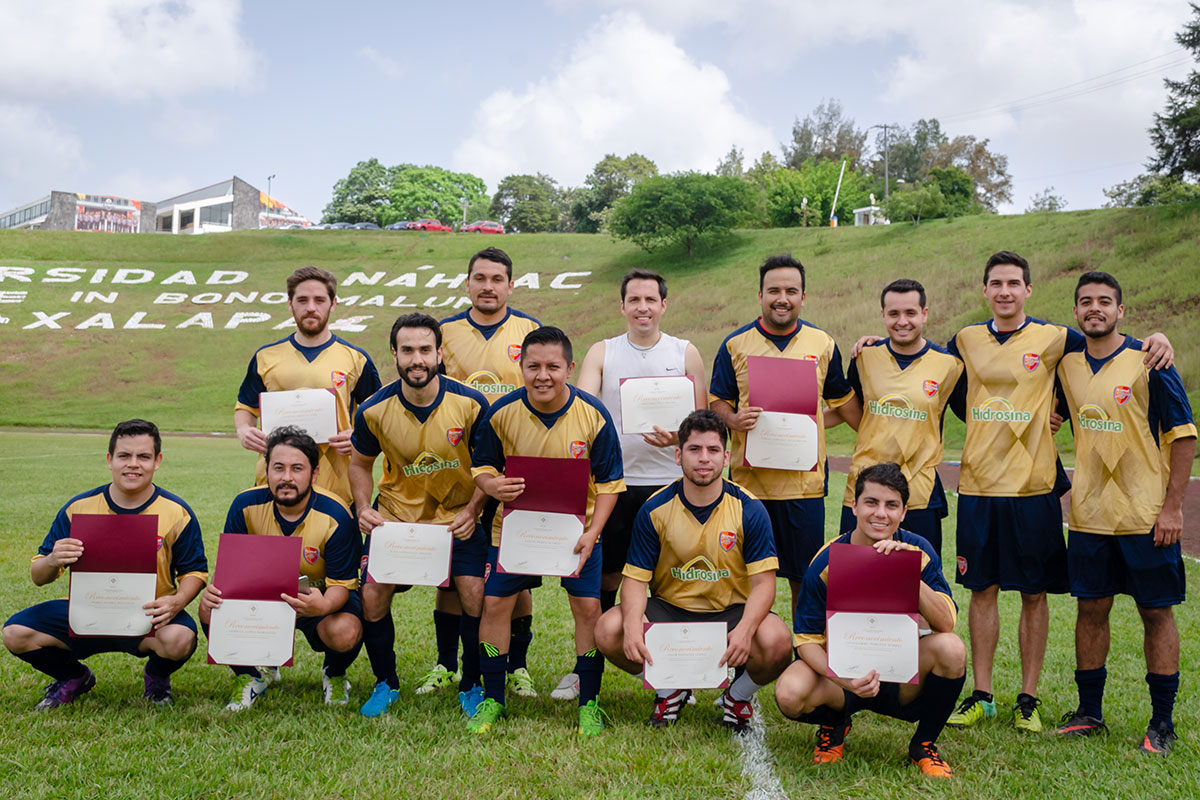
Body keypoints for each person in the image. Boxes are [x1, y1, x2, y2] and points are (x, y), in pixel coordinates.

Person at [943, 251, 1173, 733]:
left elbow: (1104, 350)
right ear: (984, 290)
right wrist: (869, 343)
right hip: (979, 486)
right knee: (981, 590)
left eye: (1014, 283)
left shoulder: (1057, 337)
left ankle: (1028, 698)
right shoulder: (963, 340)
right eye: (996, 283)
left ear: (1029, 290)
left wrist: (1158, 338)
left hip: (1035, 489)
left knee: (1033, 592)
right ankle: (982, 694)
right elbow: (926, 367)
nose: (1005, 291)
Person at [1052, 271, 1195, 755]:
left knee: (1156, 614)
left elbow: (1183, 436)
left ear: (1121, 309)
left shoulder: (1151, 359)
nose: (1095, 308)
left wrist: (1173, 507)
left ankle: (1163, 723)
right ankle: (1090, 712)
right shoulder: (1067, 364)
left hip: (1146, 515)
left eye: (1105, 301)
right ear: (1076, 312)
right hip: (1090, 516)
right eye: (1086, 302)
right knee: (1091, 610)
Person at [468, 326, 626, 735]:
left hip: (577, 532)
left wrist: (593, 533)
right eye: (533, 366)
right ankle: (493, 699)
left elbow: (610, 484)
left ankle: (589, 703)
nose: (543, 375)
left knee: (588, 609)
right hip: (514, 530)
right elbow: (482, 466)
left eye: (553, 366)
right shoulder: (500, 412)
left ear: (569, 368)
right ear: (521, 368)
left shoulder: (593, 414)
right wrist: (491, 484)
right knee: (496, 605)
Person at [594, 410, 791, 731]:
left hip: (730, 613)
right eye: (694, 449)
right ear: (677, 454)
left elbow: (764, 585)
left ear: (726, 456)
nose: (704, 458)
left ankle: (737, 697)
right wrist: (632, 624)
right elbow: (633, 580)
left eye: (713, 450)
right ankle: (670, 690)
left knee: (778, 640)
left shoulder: (749, 508)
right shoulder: (655, 509)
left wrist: (744, 630)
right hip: (670, 613)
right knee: (609, 629)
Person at [775, 463, 965, 778]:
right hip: (844, 678)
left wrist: (907, 572)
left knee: (952, 649)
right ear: (854, 505)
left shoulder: (920, 551)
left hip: (902, 677)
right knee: (789, 693)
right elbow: (806, 640)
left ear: (904, 512)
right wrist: (842, 678)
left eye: (891, 505)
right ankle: (834, 723)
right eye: (871, 502)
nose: (881, 513)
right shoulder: (827, 560)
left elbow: (946, 623)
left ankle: (924, 744)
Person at [3, 419, 208, 708]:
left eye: (143, 457)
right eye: (124, 455)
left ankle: (157, 677)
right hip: (86, 612)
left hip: (147, 614)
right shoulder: (79, 508)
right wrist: (52, 559)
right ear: (110, 459)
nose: (133, 464)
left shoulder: (177, 513)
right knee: (15, 633)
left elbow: (195, 572)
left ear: (157, 461)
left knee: (179, 638)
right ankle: (73, 677)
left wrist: (176, 602)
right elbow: (39, 576)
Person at [575, 268, 707, 700]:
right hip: (615, 486)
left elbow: (701, 425)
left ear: (664, 305)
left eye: (651, 300)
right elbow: (584, 411)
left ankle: (678, 668)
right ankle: (585, 669)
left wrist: (680, 436)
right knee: (605, 580)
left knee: (668, 581)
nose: (643, 308)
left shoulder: (685, 353)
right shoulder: (602, 352)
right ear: (622, 306)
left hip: (670, 486)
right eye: (634, 300)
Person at [349, 313, 490, 719]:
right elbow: (359, 465)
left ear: (439, 353)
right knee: (373, 595)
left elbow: (487, 468)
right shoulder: (374, 409)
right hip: (397, 518)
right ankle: (386, 683)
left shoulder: (470, 402)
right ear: (394, 354)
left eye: (425, 350)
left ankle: (470, 684)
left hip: (456, 520)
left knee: (474, 593)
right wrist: (363, 507)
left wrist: (472, 511)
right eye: (407, 350)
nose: (417, 359)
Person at [709, 253, 855, 613]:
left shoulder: (822, 343)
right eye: (773, 290)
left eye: (792, 290)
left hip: (804, 488)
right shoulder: (735, 344)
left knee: (805, 579)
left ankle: (804, 660)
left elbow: (844, 404)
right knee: (745, 579)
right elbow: (717, 402)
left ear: (804, 297)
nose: (782, 298)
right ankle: (746, 663)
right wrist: (734, 420)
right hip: (750, 487)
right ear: (760, 294)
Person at [434, 247, 543, 699]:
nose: (488, 286)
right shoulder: (445, 333)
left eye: (497, 278)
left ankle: (516, 666)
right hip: (458, 469)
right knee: (453, 572)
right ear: (467, 283)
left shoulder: (530, 331)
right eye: (479, 277)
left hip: (514, 467)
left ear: (510, 285)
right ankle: (445, 664)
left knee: (514, 573)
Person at [201, 426, 363, 711]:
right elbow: (230, 572)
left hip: (317, 599)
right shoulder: (244, 505)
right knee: (208, 608)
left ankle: (334, 673)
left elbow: (342, 586)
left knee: (346, 630)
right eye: (278, 467)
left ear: (314, 474)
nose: (286, 477)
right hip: (263, 598)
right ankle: (251, 677)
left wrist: (321, 605)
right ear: (267, 470)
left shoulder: (337, 515)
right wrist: (215, 593)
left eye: (297, 468)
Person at [830, 279, 963, 557]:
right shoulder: (864, 357)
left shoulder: (950, 365)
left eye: (910, 313)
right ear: (883, 316)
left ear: (924, 314)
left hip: (918, 492)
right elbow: (847, 409)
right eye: (894, 314)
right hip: (863, 486)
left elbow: (973, 409)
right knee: (855, 580)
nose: (902, 321)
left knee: (917, 582)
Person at [234, 266, 382, 506]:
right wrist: (243, 431)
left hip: (337, 488)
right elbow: (245, 409)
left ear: (333, 303)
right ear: (290, 304)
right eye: (302, 300)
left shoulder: (356, 358)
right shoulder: (266, 357)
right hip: (274, 483)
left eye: (319, 300)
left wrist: (358, 436)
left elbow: (380, 417)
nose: (311, 307)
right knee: (275, 544)